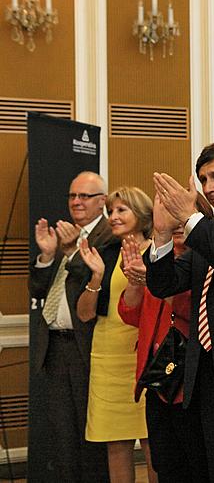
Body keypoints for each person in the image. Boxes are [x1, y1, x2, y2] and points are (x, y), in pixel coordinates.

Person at [146, 141, 214, 481]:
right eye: (203, 180)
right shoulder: (209, 232)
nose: (209, 188)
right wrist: (163, 233)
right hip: (205, 371)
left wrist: (191, 218)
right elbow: (165, 284)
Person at [117, 193, 213, 483]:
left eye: (181, 221)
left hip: (192, 383)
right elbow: (131, 316)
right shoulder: (156, 256)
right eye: (170, 221)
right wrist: (135, 284)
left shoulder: (207, 258)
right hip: (158, 378)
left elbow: (195, 315)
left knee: (194, 465)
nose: (176, 228)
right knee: (163, 463)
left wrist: (158, 282)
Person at [28, 171, 110, 482]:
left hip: (87, 346)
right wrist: (48, 257)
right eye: (72, 196)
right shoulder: (66, 236)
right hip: (55, 347)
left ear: (101, 201)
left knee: (90, 436)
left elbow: (96, 290)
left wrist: (72, 252)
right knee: (61, 436)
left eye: (84, 196)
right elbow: (39, 291)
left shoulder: (108, 235)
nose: (76, 202)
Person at [77, 186, 156, 483]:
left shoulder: (158, 250)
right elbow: (85, 314)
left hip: (146, 355)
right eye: (111, 211)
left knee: (154, 444)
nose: (113, 217)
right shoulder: (106, 254)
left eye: (121, 210)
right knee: (116, 445)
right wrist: (96, 277)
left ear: (142, 214)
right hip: (108, 357)